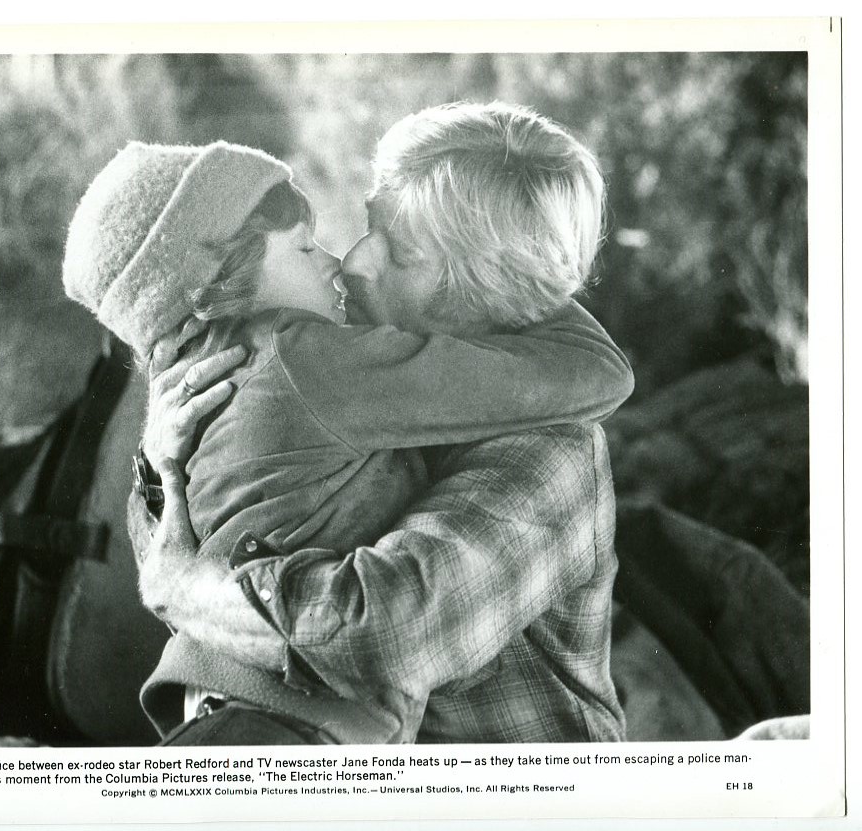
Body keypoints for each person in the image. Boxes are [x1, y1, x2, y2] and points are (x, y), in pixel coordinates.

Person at [69, 103, 633, 743]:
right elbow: (200, 535)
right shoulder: (345, 349)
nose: (356, 260)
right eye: (371, 225)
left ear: (485, 285)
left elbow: (382, 636)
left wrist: (192, 591)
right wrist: (159, 468)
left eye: (403, 253)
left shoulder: (551, 452)